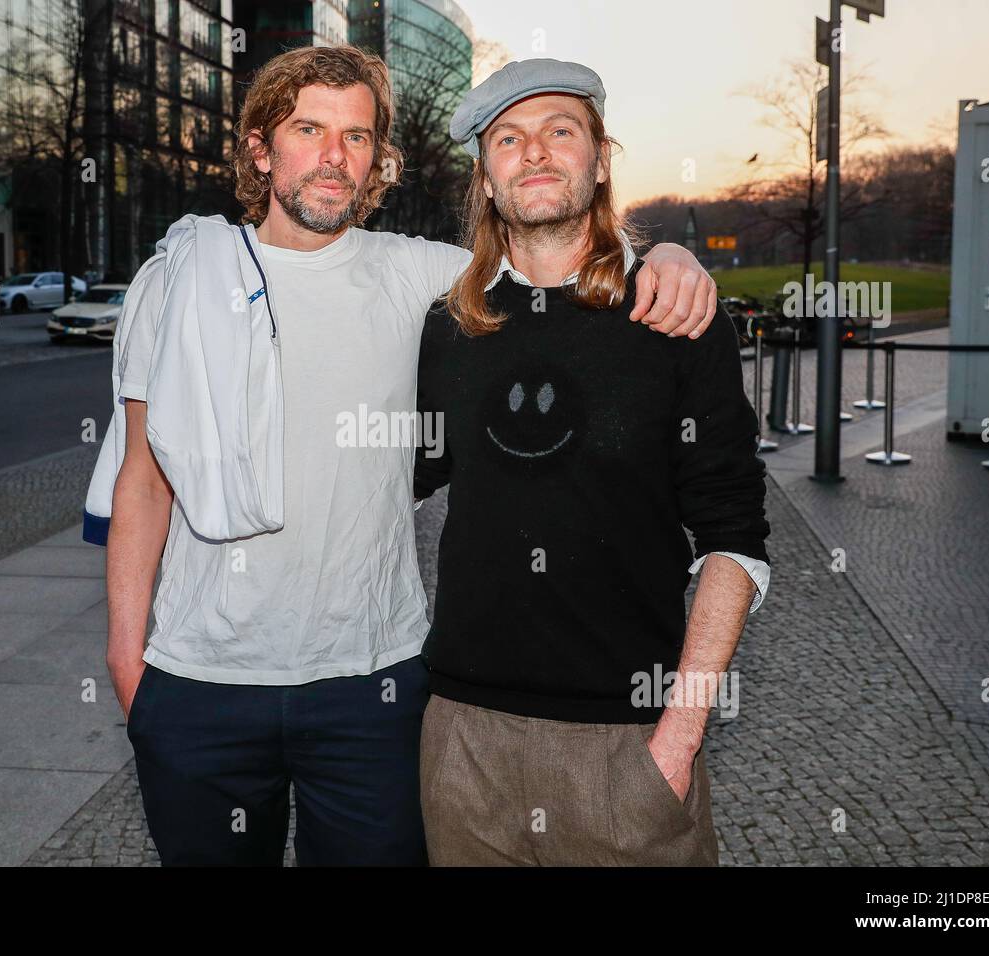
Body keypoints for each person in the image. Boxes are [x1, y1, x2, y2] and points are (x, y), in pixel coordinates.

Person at [105, 45, 719, 866]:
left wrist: (673, 262)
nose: (334, 156)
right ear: (260, 148)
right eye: (308, 129)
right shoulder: (176, 281)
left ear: (376, 159)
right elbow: (143, 481)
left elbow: (559, 248)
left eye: (357, 137)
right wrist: (127, 664)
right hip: (197, 682)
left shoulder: (420, 278)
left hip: (373, 687)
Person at [414, 58, 772, 866]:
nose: (534, 152)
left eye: (559, 131)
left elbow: (735, 537)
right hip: (463, 741)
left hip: (629, 741)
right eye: (508, 138)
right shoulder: (450, 327)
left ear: (601, 158)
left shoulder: (671, 314)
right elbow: (389, 482)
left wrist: (676, 741)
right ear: (486, 174)